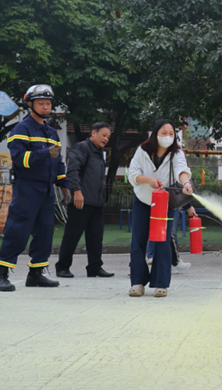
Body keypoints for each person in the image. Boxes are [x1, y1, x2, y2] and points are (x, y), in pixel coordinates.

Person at [0, 85, 71, 292]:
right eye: (41, 103)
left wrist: (64, 185)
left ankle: (36, 274)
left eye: (48, 103)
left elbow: (58, 162)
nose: (46, 107)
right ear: (30, 104)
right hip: (27, 187)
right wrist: (45, 153)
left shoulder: (51, 131)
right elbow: (19, 159)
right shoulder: (21, 129)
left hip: (46, 190)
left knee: (45, 233)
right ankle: (1, 275)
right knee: (18, 230)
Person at [126, 119, 193, 297]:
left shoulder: (176, 153)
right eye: (164, 133)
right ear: (155, 134)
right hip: (143, 200)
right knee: (138, 241)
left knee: (163, 243)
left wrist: (186, 182)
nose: (168, 137)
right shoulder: (143, 150)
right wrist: (149, 180)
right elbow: (132, 174)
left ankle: (161, 283)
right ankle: (137, 282)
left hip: (165, 203)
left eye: (171, 134)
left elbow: (181, 169)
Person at [55, 122, 114, 278]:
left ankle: (94, 267)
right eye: (104, 135)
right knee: (72, 235)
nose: (106, 139)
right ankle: (62, 267)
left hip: (97, 202)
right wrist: (77, 191)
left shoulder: (99, 153)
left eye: (108, 137)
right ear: (93, 133)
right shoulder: (82, 147)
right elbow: (73, 170)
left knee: (96, 236)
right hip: (81, 200)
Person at [147, 199, 195, 273]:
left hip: (157, 201)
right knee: (171, 233)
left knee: (156, 228)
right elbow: (178, 189)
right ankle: (173, 263)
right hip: (171, 203)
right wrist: (188, 206)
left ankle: (152, 256)